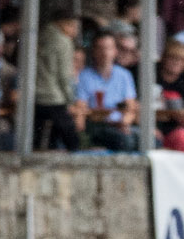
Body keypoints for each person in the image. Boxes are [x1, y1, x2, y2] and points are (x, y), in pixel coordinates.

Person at [73, 30, 139, 151]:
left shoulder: (124, 75)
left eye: (108, 48)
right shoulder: (84, 76)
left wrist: (124, 122)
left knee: (152, 140)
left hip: (121, 124)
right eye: (100, 48)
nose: (105, 53)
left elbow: (131, 107)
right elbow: (81, 107)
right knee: (125, 141)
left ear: (115, 51)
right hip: (96, 125)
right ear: (94, 51)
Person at [32, 9, 79, 152]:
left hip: (35, 96)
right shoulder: (63, 42)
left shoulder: (38, 37)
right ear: (65, 24)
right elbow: (64, 76)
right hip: (53, 97)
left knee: (42, 139)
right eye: (74, 26)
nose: (75, 32)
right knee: (72, 139)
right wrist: (70, 99)